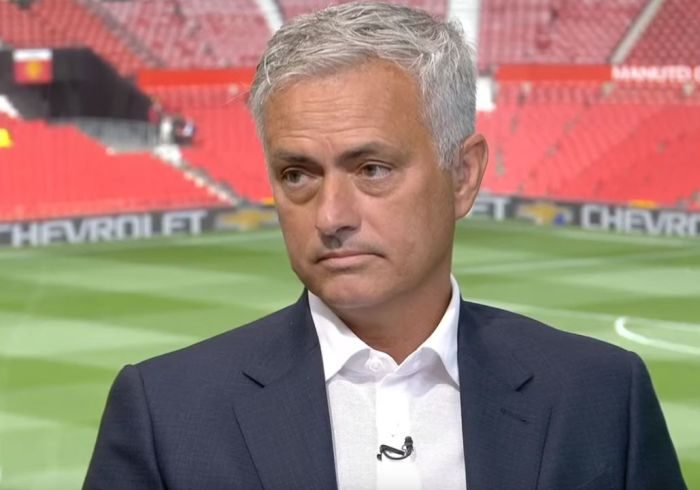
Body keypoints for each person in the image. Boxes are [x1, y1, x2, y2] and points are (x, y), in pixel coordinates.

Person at [84, 3, 686, 489]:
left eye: (372, 169)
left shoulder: (602, 395)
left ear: (463, 175)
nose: (331, 217)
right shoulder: (166, 413)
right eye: (297, 174)